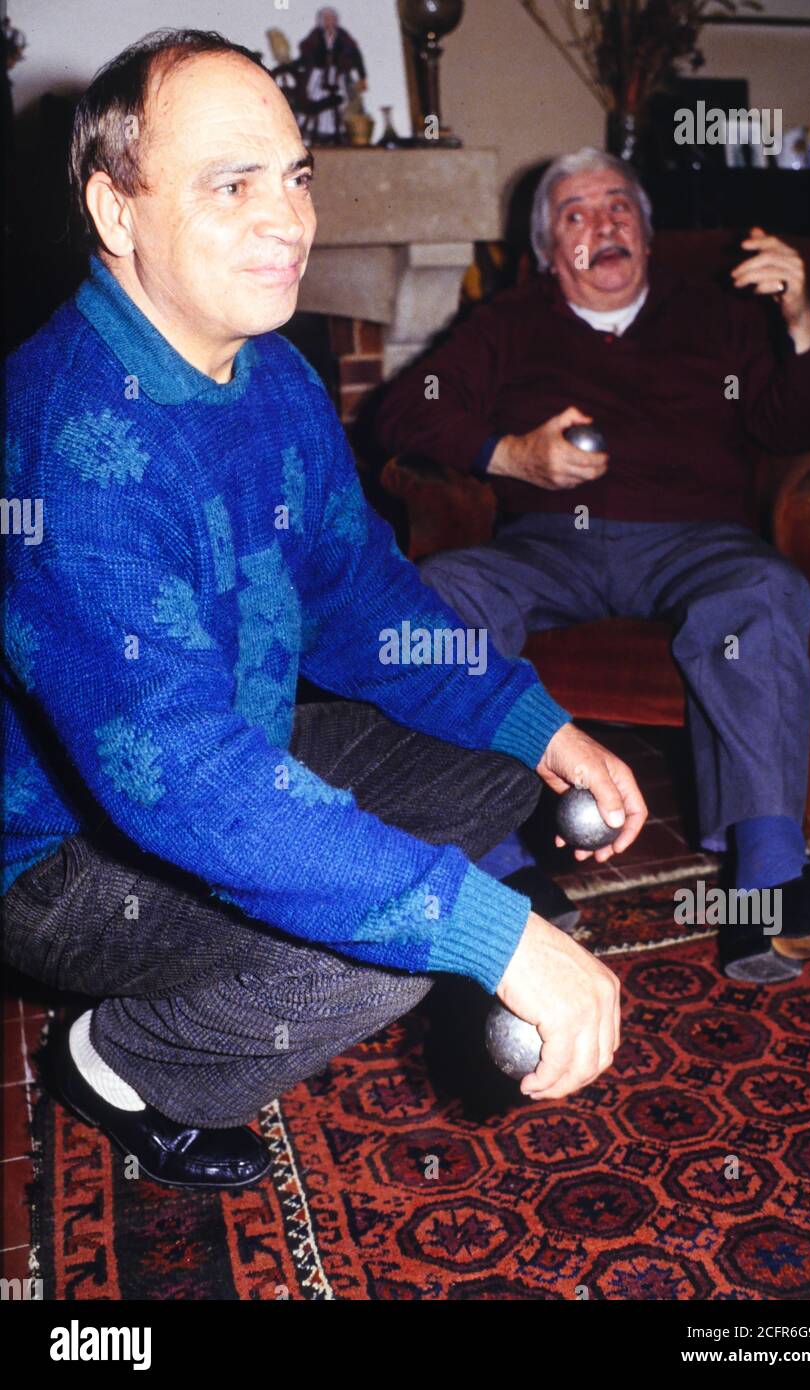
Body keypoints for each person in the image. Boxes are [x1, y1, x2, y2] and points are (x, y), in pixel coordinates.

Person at [1, 35, 646, 1192]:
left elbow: (360, 597)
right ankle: (120, 1060)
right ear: (115, 210)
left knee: (500, 769)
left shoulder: (276, 373)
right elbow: (184, 780)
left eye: (294, 175)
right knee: (382, 950)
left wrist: (534, 720)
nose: (288, 219)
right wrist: (479, 931)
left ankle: (438, 875)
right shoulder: (69, 449)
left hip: (224, 746)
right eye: (231, 183)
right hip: (59, 856)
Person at [374, 148, 810, 983]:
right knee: (439, 596)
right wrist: (512, 454)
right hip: (547, 548)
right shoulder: (510, 323)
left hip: (696, 542)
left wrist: (803, 324)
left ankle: (770, 892)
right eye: (575, 214)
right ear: (547, 250)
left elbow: (793, 426)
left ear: (646, 230)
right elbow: (401, 413)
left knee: (766, 588)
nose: (602, 226)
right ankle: (500, 872)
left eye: (619, 209)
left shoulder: (715, 316)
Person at [298, 7, 367, 144]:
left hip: (338, 74)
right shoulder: (316, 35)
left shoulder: (342, 36)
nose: (329, 21)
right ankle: (316, 132)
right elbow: (306, 52)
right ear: (321, 21)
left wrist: (362, 76)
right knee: (315, 98)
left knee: (342, 102)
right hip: (319, 74)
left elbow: (355, 54)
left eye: (332, 18)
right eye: (326, 19)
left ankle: (338, 133)